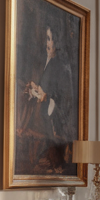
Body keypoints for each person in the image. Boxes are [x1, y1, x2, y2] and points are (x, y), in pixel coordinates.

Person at [17, 14, 77, 174]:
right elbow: (41, 89)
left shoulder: (62, 68)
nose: (48, 43)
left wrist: (46, 98)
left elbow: (65, 102)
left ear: (57, 43)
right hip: (38, 119)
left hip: (51, 123)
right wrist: (34, 89)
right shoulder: (43, 61)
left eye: (51, 39)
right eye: (47, 39)